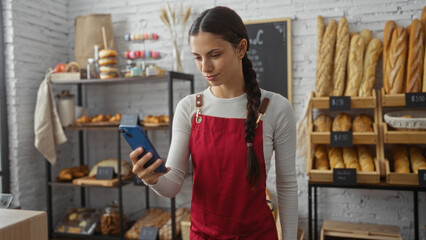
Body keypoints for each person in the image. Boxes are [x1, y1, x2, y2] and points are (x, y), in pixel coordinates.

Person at [130, 6, 298, 239]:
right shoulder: (189, 108)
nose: (205, 68)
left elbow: (287, 186)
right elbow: (172, 184)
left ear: (241, 48)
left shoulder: (276, 108)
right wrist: (152, 178)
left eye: (214, 55)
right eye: (197, 57)